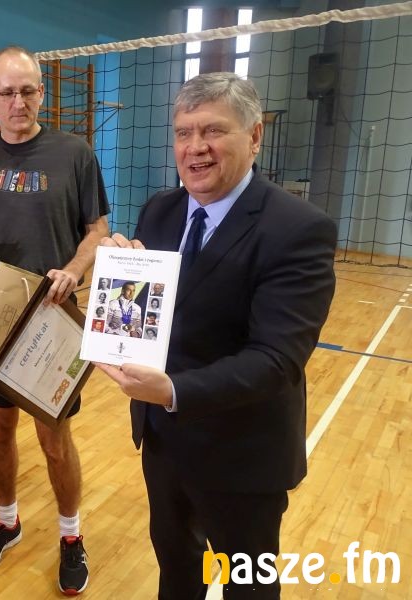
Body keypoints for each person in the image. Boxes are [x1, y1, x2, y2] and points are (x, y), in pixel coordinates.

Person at [94, 72, 336, 599]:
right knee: (176, 569)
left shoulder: (297, 228)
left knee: (247, 588)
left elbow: (276, 359)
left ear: (254, 136)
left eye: (213, 131)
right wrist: (119, 285)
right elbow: (151, 317)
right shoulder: (160, 210)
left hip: (242, 453)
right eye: (184, 133)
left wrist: (173, 390)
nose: (195, 147)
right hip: (164, 441)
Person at [0, 45, 109, 595]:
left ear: (42, 92)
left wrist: (75, 270)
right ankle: (7, 522)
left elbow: (97, 230)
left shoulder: (75, 153)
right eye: (8, 92)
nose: (19, 102)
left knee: (54, 437)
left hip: (54, 315)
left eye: (28, 90)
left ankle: (71, 534)